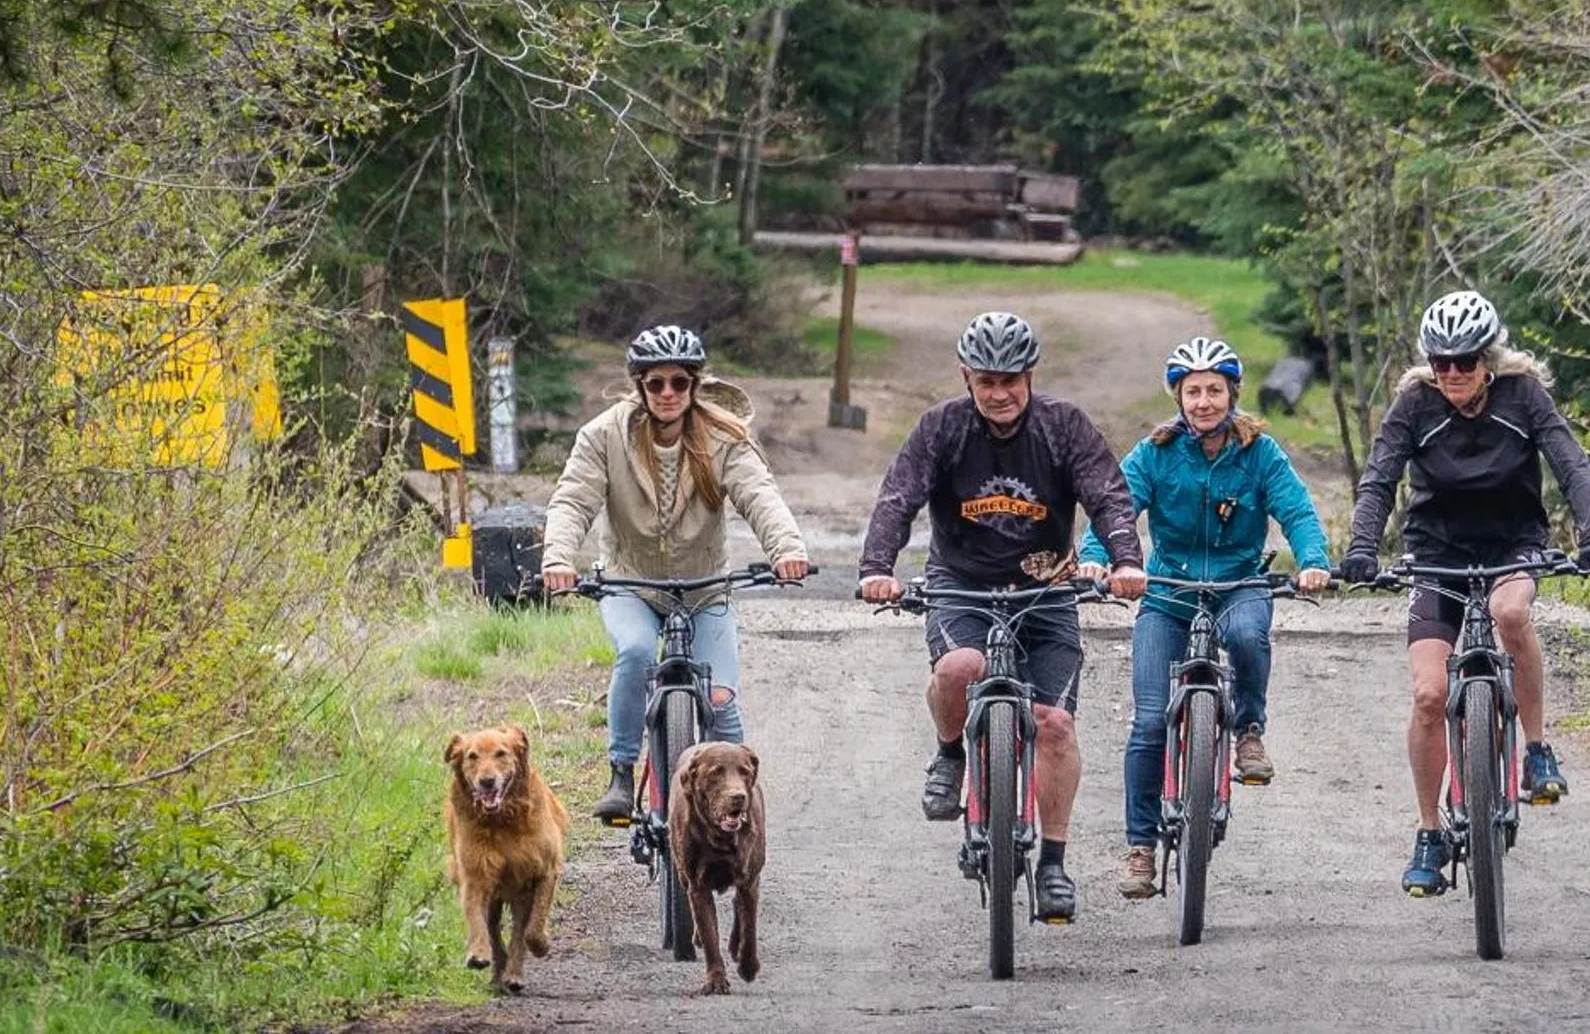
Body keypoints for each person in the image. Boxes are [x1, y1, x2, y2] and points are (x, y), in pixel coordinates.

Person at [858, 310, 1147, 922]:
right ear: (966, 376)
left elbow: (1107, 493)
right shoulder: (942, 427)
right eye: (987, 380)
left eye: (1011, 380)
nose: (1000, 393)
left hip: (1046, 590)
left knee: (1054, 726)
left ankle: (1053, 863)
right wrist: (876, 568)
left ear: (1030, 375)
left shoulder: (1063, 426)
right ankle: (951, 754)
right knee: (961, 667)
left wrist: (1124, 559)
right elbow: (899, 495)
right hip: (961, 584)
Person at [1340, 290, 1590, 896]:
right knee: (1427, 694)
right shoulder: (1415, 404)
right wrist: (1363, 547)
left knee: (1509, 611)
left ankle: (1537, 750)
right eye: (1441, 363)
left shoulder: (1524, 398)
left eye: (1465, 362)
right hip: (1436, 553)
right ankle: (1427, 831)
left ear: (1488, 359)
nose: (1453, 374)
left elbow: (1570, 464)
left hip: (1511, 543)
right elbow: (1380, 476)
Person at [1078, 336, 1334, 900]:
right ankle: (1141, 847)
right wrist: (1099, 561)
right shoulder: (1155, 452)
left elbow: (1296, 510)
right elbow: (1113, 510)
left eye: (1214, 390)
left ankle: (1247, 731)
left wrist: (1313, 561)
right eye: (1192, 391)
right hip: (1167, 592)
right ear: (1178, 396)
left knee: (1246, 634)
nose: (1203, 402)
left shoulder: (1260, 452)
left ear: (1232, 394)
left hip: (1238, 583)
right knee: (1147, 722)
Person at [540, 324, 811, 824]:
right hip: (630, 584)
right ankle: (622, 772)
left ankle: (738, 808)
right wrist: (558, 558)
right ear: (639, 386)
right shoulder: (603, 436)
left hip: (706, 588)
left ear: (695, 385)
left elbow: (759, 494)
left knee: (720, 696)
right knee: (638, 651)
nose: (668, 393)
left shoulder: (724, 435)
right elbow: (573, 500)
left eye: (679, 383)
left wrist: (787, 550)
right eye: (656, 382)